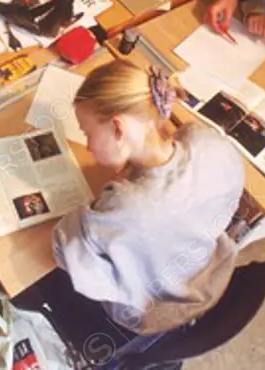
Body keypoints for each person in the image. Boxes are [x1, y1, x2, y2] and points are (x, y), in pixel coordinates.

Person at [52, 61, 245, 340]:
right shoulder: (208, 142)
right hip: (208, 275)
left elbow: (65, 253)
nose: (88, 146)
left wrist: (89, 213)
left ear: (118, 129)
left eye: (87, 133)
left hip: (148, 312)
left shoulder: (123, 207)